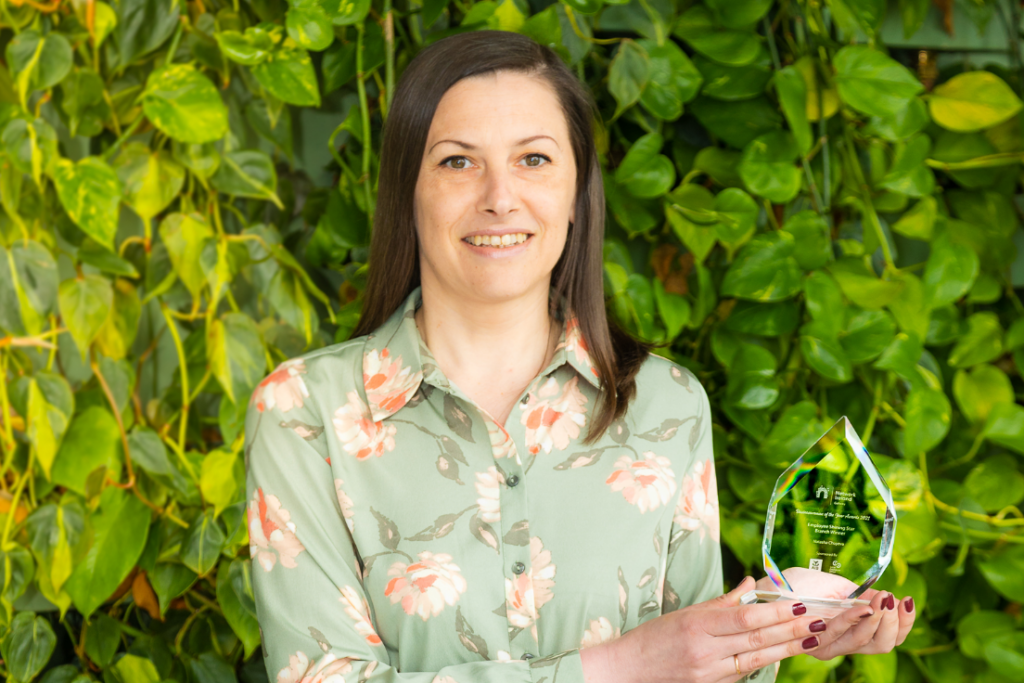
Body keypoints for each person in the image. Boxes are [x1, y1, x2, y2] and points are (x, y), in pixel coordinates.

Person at [243, 30, 915, 683]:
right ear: (406, 189)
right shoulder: (305, 413)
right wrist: (619, 667)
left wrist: (780, 625)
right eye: (457, 160)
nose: (500, 197)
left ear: (576, 193)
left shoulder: (667, 404)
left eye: (533, 159)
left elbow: (686, 667)